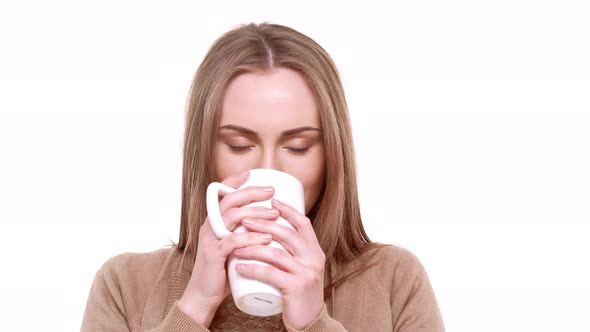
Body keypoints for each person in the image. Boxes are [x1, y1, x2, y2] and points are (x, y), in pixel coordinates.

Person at [81, 22, 445, 331]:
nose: (269, 171)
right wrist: (193, 307)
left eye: (299, 147)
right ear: (204, 154)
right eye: (239, 145)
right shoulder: (125, 286)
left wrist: (313, 322)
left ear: (332, 155)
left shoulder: (395, 281)